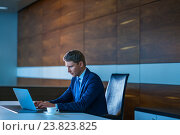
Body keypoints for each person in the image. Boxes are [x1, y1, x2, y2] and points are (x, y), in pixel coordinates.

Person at [34, 50, 108, 116]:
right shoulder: (75, 79)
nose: (68, 71)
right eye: (67, 67)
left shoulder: (93, 79)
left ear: (81, 64)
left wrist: (54, 105)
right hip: (82, 116)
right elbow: (64, 98)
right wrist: (45, 103)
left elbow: (82, 105)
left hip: (96, 119)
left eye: (71, 66)